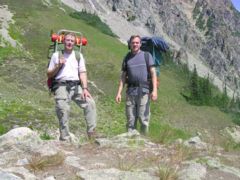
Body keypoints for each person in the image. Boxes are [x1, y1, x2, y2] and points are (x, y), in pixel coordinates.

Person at [47, 32, 97, 141]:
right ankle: (65, 138)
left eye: (72, 41)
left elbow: (82, 72)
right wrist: (58, 65)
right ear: (63, 41)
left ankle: (92, 134)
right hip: (61, 85)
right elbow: (49, 74)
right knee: (63, 109)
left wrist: (85, 89)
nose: (69, 42)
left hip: (76, 85)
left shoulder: (78, 55)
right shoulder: (56, 55)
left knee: (90, 103)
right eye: (67, 40)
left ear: (75, 43)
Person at [115, 35, 157, 135]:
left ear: (140, 44)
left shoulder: (147, 55)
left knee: (143, 118)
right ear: (130, 44)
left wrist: (155, 90)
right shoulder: (127, 58)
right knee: (130, 119)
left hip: (144, 91)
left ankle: (144, 141)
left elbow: (153, 73)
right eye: (133, 42)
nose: (135, 44)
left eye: (137, 42)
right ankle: (130, 141)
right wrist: (119, 93)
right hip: (131, 92)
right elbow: (123, 77)